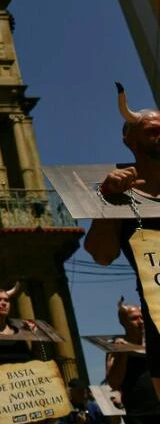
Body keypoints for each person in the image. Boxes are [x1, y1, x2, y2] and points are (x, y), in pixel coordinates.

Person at [85, 83, 160, 399]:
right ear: (128, 139)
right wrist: (109, 201)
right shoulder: (117, 193)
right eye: (154, 130)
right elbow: (102, 255)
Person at [106, 297, 160, 424]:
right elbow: (114, 383)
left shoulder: (155, 343)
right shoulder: (116, 347)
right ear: (123, 322)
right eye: (134, 318)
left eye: (141, 317)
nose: (140, 322)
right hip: (138, 415)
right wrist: (123, 352)